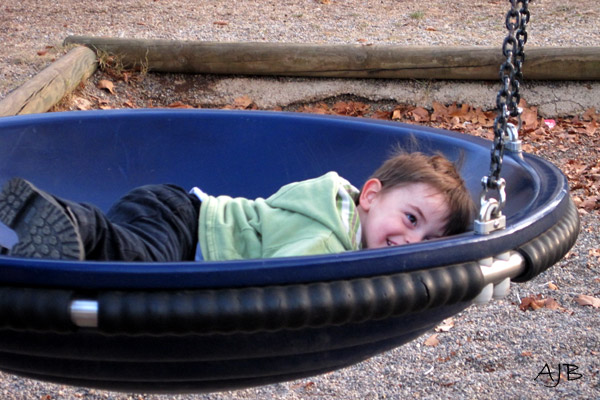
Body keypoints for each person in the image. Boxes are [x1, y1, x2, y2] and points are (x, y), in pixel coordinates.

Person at [0, 151, 475, 262]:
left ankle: (36, 249)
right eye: (410, 218)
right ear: (369, 196)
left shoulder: (340, 216)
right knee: (136, 259)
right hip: (184, 224)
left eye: (429, 239)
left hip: (178, 215)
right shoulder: (328, 236)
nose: (411, 240)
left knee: (118, 260)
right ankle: (61, 219)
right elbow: (287, 288)